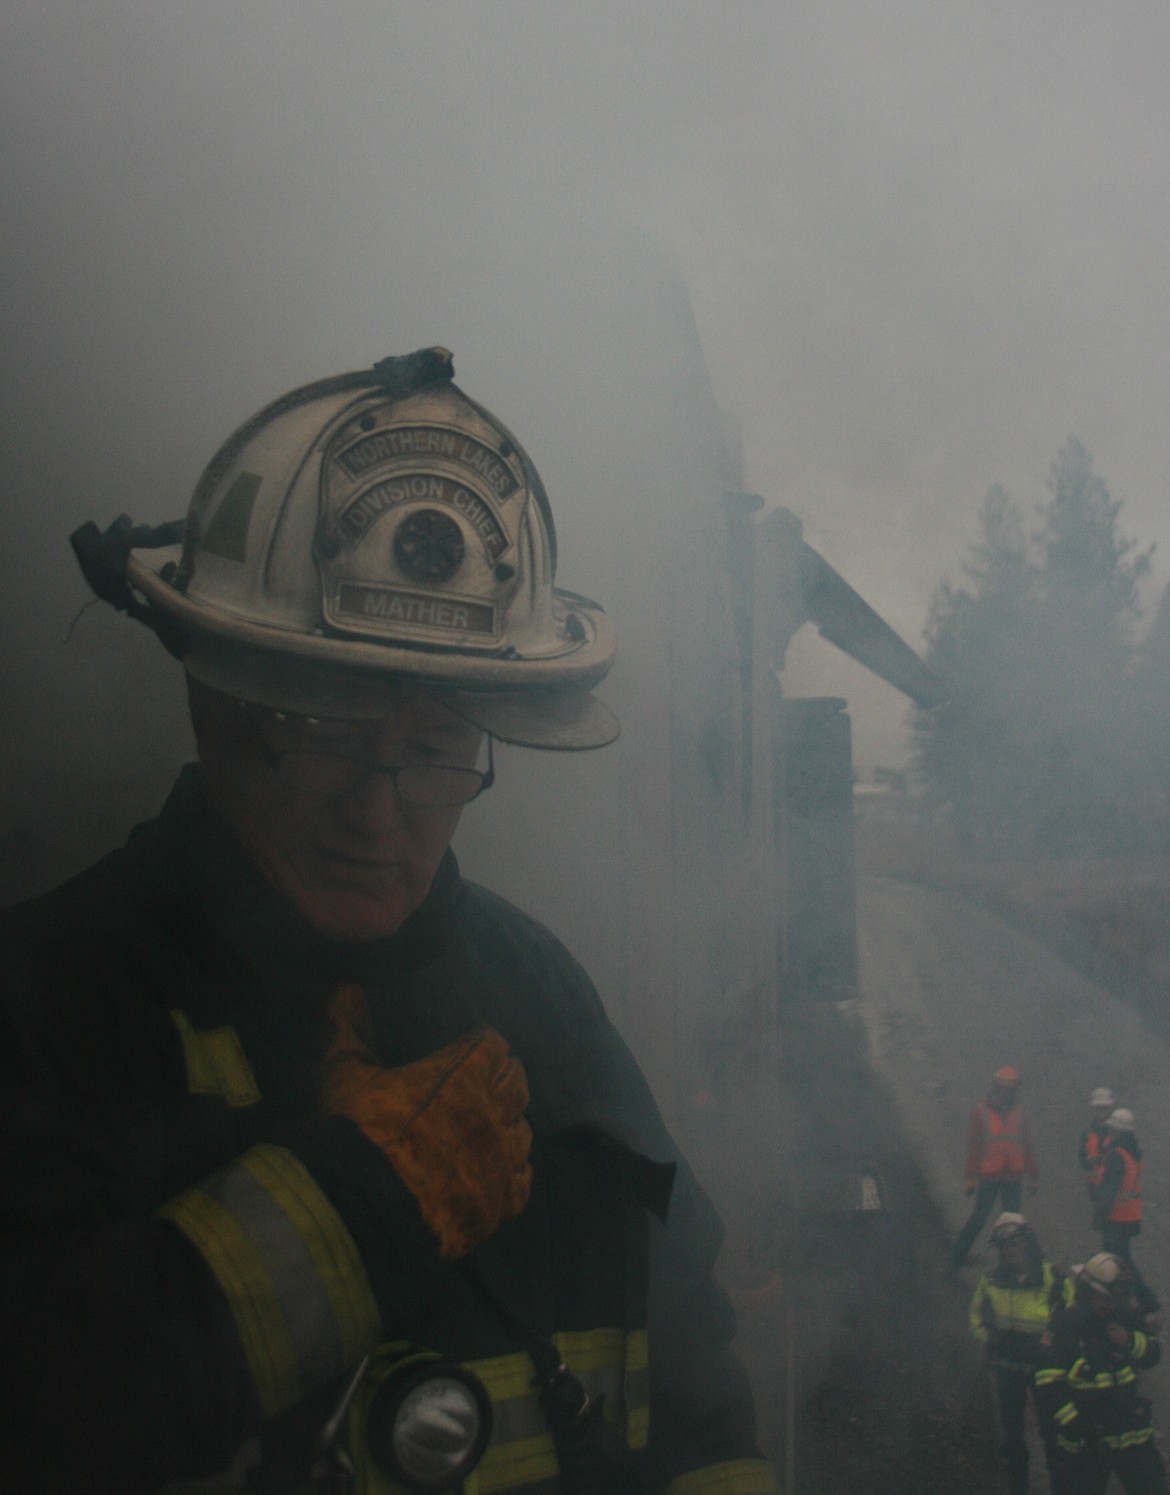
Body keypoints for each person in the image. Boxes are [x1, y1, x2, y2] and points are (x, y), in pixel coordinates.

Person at [0, 350, 780, 1495]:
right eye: (322, 728)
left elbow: (694, 1379)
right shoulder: (50, 1003)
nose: (379, 812)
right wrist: (352, 1210)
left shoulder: (538, 993)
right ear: (211, 705)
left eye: (432, 748)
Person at [1034, 1252, 1167, 1494]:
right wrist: (1074, 1424)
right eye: (1104, 1297)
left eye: (1115, 1298)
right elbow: (1047, 1383)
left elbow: (1153, 1354)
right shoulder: (1066, 1325)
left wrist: (1129, 1341)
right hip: (1086, 1442)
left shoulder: (1124, 1318)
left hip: (1130, 1434)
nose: (1110, 1304)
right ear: (1087, 1291)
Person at [968, 1213, 1072, 1495]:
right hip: (1008, 1369)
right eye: (1004, 1246)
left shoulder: (1054, 1279)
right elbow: (976, 1316)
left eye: (1014, 1243)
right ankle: (1018, 1487)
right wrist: (988, 1341)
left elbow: (1072, 1320)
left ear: (1027, 1242)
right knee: (1012, 1439)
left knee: (1054, 1436)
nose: (1010, 1250)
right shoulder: (991, 1281)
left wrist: (1057, 1350)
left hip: (1046, 1373)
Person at [951, 1065, 1039, 1268]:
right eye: (1005, 1089)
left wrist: (1033, 1175)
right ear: (997, 1088)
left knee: (1014, 1226)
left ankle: (1009, 1265)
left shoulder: (1020, 1112)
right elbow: (974, 1145)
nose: (1008, 1093)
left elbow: (1027, 1145)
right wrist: (970, 1177)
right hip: (990, 1174)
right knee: (979, 1218)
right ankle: (956, 1258)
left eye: (1011, 1090)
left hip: (1013, 1175)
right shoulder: (980, 1111)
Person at [1094, 1108, 1160, 1316]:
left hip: (1116, 1218)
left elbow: (1110, 1190)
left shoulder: (1116, 1155)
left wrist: (1100, 1215)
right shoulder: (1132, 1152)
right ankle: (1132, 1299)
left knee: (1118, 1262)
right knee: (1122, 1260)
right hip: (1130, 1217)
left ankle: (1138, 1299)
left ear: (1117, 1131)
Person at [1078, 1087, 1116, 1187]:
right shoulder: (1087, 1132)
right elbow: (1082, 1157)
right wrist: (1088, 1162)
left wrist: (1099, 1159)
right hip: (1096, 1186)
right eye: (1098, 1108)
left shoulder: (1119, 1131)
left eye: (1105, 1108)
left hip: (1115, 1185)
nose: (1102, 1111)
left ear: (1110, 1108)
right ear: (1094, 1109)